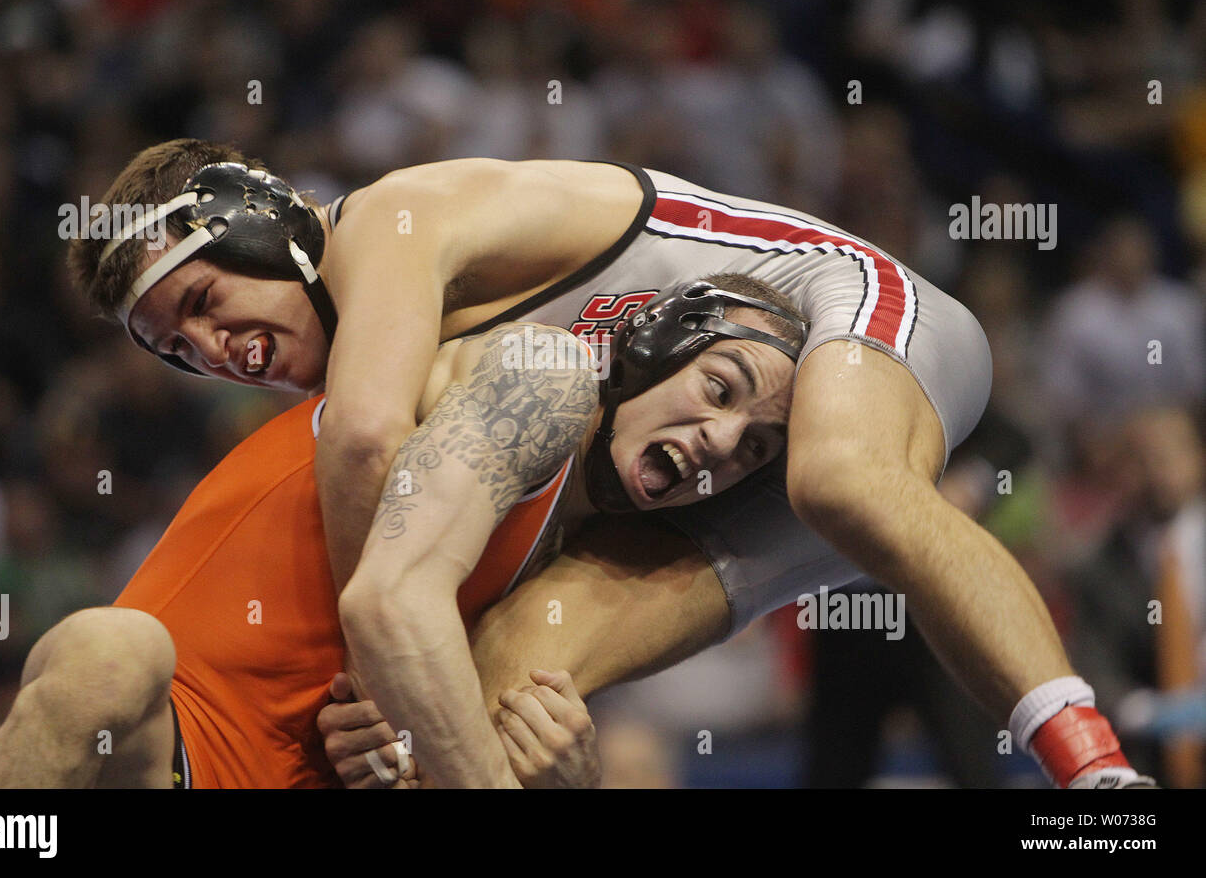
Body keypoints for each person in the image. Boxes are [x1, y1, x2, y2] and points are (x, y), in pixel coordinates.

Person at [69, 140, 1151, 787]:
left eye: (203, 303)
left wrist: (372, 674)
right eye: (176, 349)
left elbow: (362, 443)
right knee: (494, 700)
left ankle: (1095, 776)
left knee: (839, 477)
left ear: (262, 229)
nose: (213, 352)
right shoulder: (407, 341)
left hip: (832, 308)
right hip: (704, 464)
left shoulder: (384, 223)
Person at [0, 275, 805, 788]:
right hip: (167, 745)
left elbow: (433, 745)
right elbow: (389, 604)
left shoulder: (602, 565)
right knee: (109, 655)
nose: (719, 444)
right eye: (721, 390)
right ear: (655, 344)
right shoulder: (543, 378)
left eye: (754, 449)